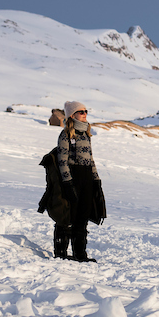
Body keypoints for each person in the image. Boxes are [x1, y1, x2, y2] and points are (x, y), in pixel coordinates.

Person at [51, 100, 107, 261]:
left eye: (86, 111)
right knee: (69, 215)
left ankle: (80, 254)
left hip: (87, 178)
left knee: (83, 216)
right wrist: (67, 182)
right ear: (72, 115)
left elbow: (91, 159)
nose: (85, 114)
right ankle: (60, 253)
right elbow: (62, 160)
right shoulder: (66, 134)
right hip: (73, 178)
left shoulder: (86, 134)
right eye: (81, 112)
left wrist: (96, 179)